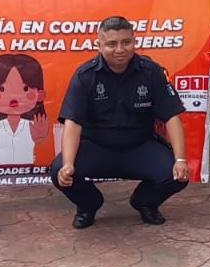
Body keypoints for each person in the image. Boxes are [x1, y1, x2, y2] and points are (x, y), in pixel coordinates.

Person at [50, 16, 189, 229]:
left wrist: (180, 159)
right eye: (111, 44)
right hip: (97, 148)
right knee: (59, 170)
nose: (120, 49)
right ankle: (89, 205)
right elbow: (73, 123)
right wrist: (68, 163)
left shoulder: (151, 72)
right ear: (99, 45)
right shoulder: (85, 76)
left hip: (139, 147)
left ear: (135, 41)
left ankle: (144, 202)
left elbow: (172, 116)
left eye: (126, 42)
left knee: (176, 175)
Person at [0, 53, 50, 166]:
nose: (14, 98)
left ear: (40, 94)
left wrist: (41, 137)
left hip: (28, 174)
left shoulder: (32, 126)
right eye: (2, 89)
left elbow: (44, 148)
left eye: (25, 88)